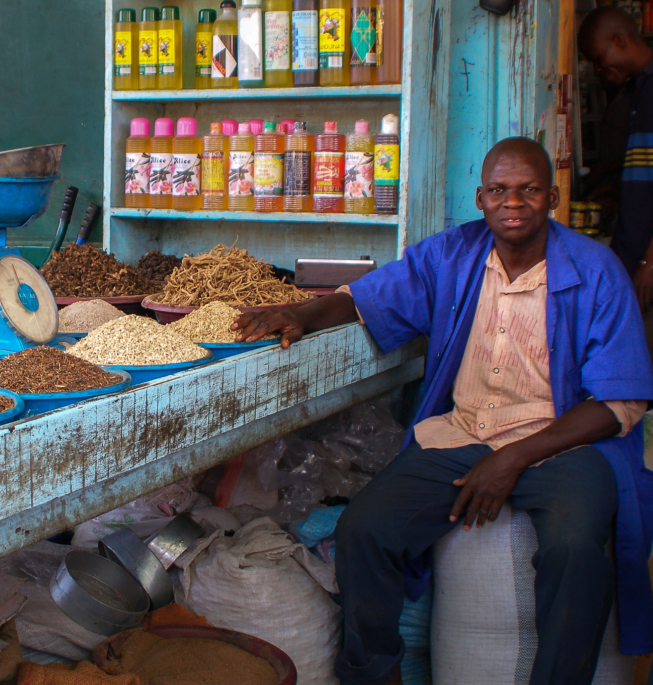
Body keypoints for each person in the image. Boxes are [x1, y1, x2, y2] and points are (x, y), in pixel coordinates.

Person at [234, 137, 653, 685]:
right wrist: (302, 313)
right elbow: (368, 297)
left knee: (575, 549)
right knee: (364, 532)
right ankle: (375, 675)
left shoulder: (596, 271)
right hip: (464, 433)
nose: (513, 202)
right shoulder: (453, 254)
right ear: (480, 199)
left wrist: (512, 459)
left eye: (528, 190)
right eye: (499, 190)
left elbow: (619, 402)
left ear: (552, 197)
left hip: (559, 443)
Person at [578, 8, 653, 326]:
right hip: (632, 258)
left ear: (620, 40)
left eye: (599, 58)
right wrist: (617, 190)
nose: (598, 69)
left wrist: (649, 264)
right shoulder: (636, 92)